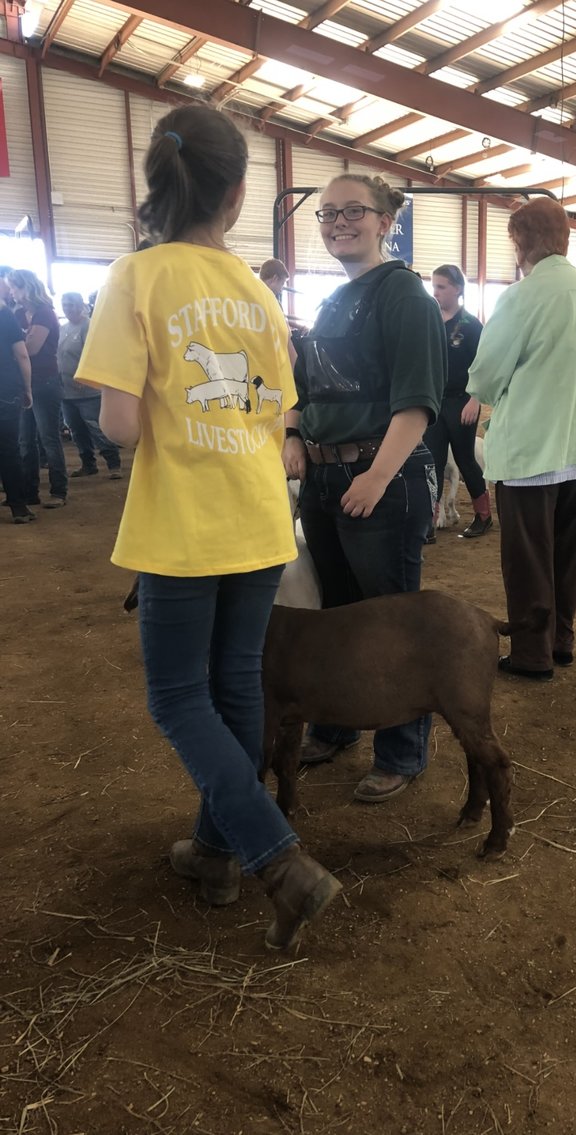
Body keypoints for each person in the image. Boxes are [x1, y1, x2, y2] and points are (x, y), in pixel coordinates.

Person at [75, 104, 341, 951]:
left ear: (159, 183)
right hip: (258, 519)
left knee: (177, 696)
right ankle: (216, 854)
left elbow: (120, 426)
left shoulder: (136, 277)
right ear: (235, 196)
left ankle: (277, 857)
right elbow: (276, 410)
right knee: (234, 687)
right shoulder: (260, 294)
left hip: (184, 524)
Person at [284, 173, 446, 801]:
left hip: (380, 475)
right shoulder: (335, 300)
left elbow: (418, 401)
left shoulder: (403, 294)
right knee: (338, 615)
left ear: (385, 222)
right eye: (327, 214)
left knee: (392, 619)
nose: (338, 223)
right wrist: (293, 433)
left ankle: (402, 751)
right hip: (325, 476)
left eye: (353, 211)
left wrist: (377, 477)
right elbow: (303, 387)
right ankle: (336, 723)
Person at [467, 196, 576, 679]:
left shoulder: (522, 296)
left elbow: (486, 376)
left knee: (528, 555)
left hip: (533, 449)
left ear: (520, 241)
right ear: (564, 240)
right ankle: (561, 639)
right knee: (571, 554)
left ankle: (532, 653)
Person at [424, 264, 491, 539]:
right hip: (435, 403)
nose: (435, 292)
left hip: (462, 402)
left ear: (458, 289)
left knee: (465, 459)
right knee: (433, 462)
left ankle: (483, 515)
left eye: (441, 287)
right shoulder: (430, 323)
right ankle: (430, 519)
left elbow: (483, 365)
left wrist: (475, 399)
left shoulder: (471, 326)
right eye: (434, 286)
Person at [7, 268, 68, 509]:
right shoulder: (19, 313)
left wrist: (15, 343)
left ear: (26, 288)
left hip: (45, 381)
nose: (11, 291)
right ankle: (29, 492)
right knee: (26, 441)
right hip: (28, 382)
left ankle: (59, 491)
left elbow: (31, 348)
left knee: (49, 438)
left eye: (14, 287)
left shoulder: (44, 313)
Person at [58, 292, 122, 479]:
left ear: (81, 305)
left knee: (97, 428)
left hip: (88, 390)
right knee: (76, 430)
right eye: (64, 304)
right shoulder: (63, 328)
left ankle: (114, 464)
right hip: (66, 390)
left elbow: (93, 355)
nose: (67, 308)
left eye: (71, 304)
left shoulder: (89, 326)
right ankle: (88, 464)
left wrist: (84, 377)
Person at [0, 267, 34, 523]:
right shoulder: (6, 317)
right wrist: (28, 388)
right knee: (9, 449)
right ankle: (18, 506)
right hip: (6, 389)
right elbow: (22, 354)